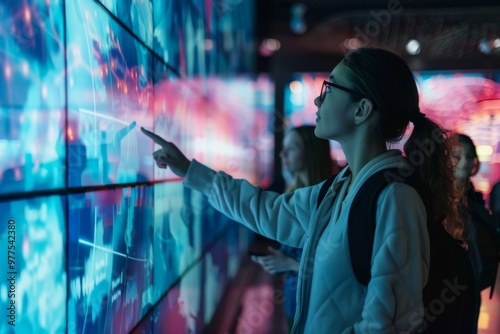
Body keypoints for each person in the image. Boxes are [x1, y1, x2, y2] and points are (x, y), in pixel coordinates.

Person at [141, 47, 469, 333]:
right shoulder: (339, 189)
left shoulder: (394, 200)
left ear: (361, 110)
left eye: (329, 89)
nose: (317, 98)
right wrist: (189, 170)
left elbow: (390, 325)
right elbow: (264, 210)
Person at [250, 125, 338, 332]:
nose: (282, 154)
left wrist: (288, 263)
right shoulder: (294, 193)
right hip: (295, 301)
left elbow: (338, 267)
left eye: (292, 148)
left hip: (319, 306)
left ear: (310, 153)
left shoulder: (330, 200)